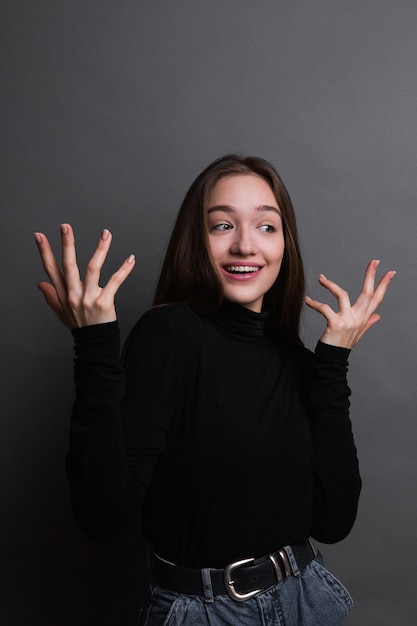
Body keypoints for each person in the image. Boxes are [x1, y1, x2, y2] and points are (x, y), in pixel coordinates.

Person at [34, 155, 395, 625]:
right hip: (206, 612)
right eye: (222, 225)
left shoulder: (300, 363)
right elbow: (103, 518)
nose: (246, 245)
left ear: (285, 244)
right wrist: (95, 348)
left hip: (308, 598)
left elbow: (333, 522)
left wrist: (332, 364)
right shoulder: (167, 335)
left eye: (267, 227)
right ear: (196, 241)